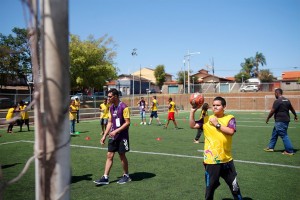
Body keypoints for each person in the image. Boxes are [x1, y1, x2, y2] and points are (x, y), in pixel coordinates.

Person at [189, 96, 242, 200]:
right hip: (212, 161)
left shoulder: (230, 118)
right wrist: (192, 112)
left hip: (227, 160)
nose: (215, 107)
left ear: (224, 107)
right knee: (210, 189)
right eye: (213, 105)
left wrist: (217, 124)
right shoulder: (206, 119)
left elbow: (231, 132)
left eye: (218, 105)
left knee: (235, 187)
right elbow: (192, 125)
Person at [94, 88, 131, 185]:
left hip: (122, 136)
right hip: (113, 136)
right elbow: (110, 122)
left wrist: (116, 131)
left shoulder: (124, 107)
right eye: (108, 96)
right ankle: (105, 177)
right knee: (109, 155)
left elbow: (127, 123)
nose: (108, 98)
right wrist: (104, 136)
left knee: (122, 155)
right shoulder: (111, 107)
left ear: (115, 96)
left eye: (110, 96)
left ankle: (126, 175)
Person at [264, 88, 298, 155]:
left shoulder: (278, 101)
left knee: (284, 135)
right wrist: (295, 115)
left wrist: (268, 118)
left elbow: (272, 111)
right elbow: (292, 109)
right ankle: (271, 147)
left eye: (275, 93)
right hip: (285, 120)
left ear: (277, 93)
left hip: (280, 121)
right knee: (275, 133)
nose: (274, 95)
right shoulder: (287, 100)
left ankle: (289, 151)